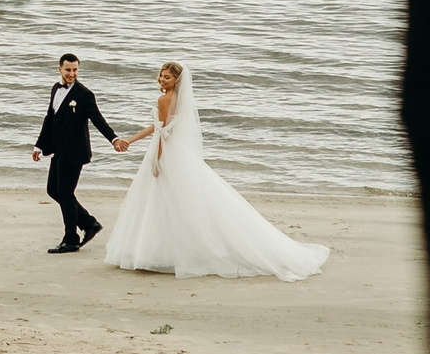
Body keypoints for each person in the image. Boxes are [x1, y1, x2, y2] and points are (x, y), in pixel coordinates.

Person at [105, 61, 329, 281]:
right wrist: (131, 140)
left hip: (166, 154)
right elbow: (160, 127)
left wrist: (157, 159)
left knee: (163, 200)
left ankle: (161, 252)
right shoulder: (180, 100)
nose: (162, 80)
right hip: (178, 154)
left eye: (168, 77)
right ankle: (168, 251)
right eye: (161, 76)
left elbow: (163, 133)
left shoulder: (164, 99)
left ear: (177, 80)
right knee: (175, 201)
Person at [31, 52, 116, 253]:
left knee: (66, 193)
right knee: (53, 190)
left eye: (75, 70)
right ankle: (88, 223)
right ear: (60, 69)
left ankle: (71, 238)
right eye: (68, 69)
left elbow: (97, 119)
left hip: (75, 151)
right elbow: (50, 119)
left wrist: (113, 139)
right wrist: (39, 145)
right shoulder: (55, 88)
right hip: (58, 149)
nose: (72, 73)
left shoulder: (84, 94)